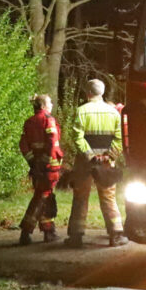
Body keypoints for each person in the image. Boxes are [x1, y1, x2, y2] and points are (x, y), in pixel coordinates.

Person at [65, 79, 128, 247]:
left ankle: (76, 237)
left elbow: (77, 137)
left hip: (85, 162)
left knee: (80, 197)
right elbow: (120, 137)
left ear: (88, 93)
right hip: (107, 162)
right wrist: (110, 155)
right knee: (108, 197)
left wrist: (90, 155)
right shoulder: (114, 113)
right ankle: (115, 235)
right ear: (102, 93)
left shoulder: (81, 111)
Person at [17, 93, 63, 245]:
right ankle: (26, 230)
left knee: (45, 196)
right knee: (41, 197)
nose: (52, 105)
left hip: (37, 166)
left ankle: (48, 231)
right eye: (50, 103)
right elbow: (52, 142)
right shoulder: (48, 120)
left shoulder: (29, 122)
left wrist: (33, 162)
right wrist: (44, 162)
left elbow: (23, 145)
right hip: (49, 167)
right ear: (43, 106)